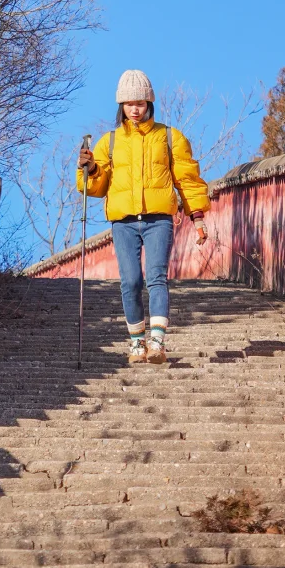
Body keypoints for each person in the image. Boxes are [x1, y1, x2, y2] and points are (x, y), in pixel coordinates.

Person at [76, 69, 209, 366]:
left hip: (158, 219)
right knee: (131, 281)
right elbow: (95, 188)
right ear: (120, 106)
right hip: (123, 221)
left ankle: (157, 341)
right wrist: (91, 169)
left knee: (157, 277)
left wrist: (197, 217)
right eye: (128, 103)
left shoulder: (169, 137)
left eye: (140, 103)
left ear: (150, 103)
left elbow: (187, 179)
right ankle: (137, 342)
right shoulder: (109, 142)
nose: (134, 109)